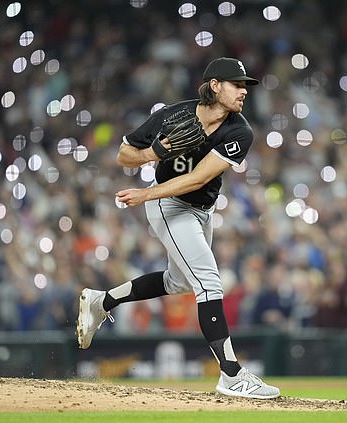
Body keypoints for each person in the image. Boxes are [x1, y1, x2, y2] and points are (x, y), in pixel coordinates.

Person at [76, 57, 280, 399]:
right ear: (215, 85)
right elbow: (124, 154)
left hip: (198, 207)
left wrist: (146, 192)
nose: (244, 91)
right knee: (208, 281)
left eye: (246, 85)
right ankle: (231, 373)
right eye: (237, 84)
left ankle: (102, 301)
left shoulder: (240, 130)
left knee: (179, 281)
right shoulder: (173, 115)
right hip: (169, 206)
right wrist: (150, 155)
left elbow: (199, 178)